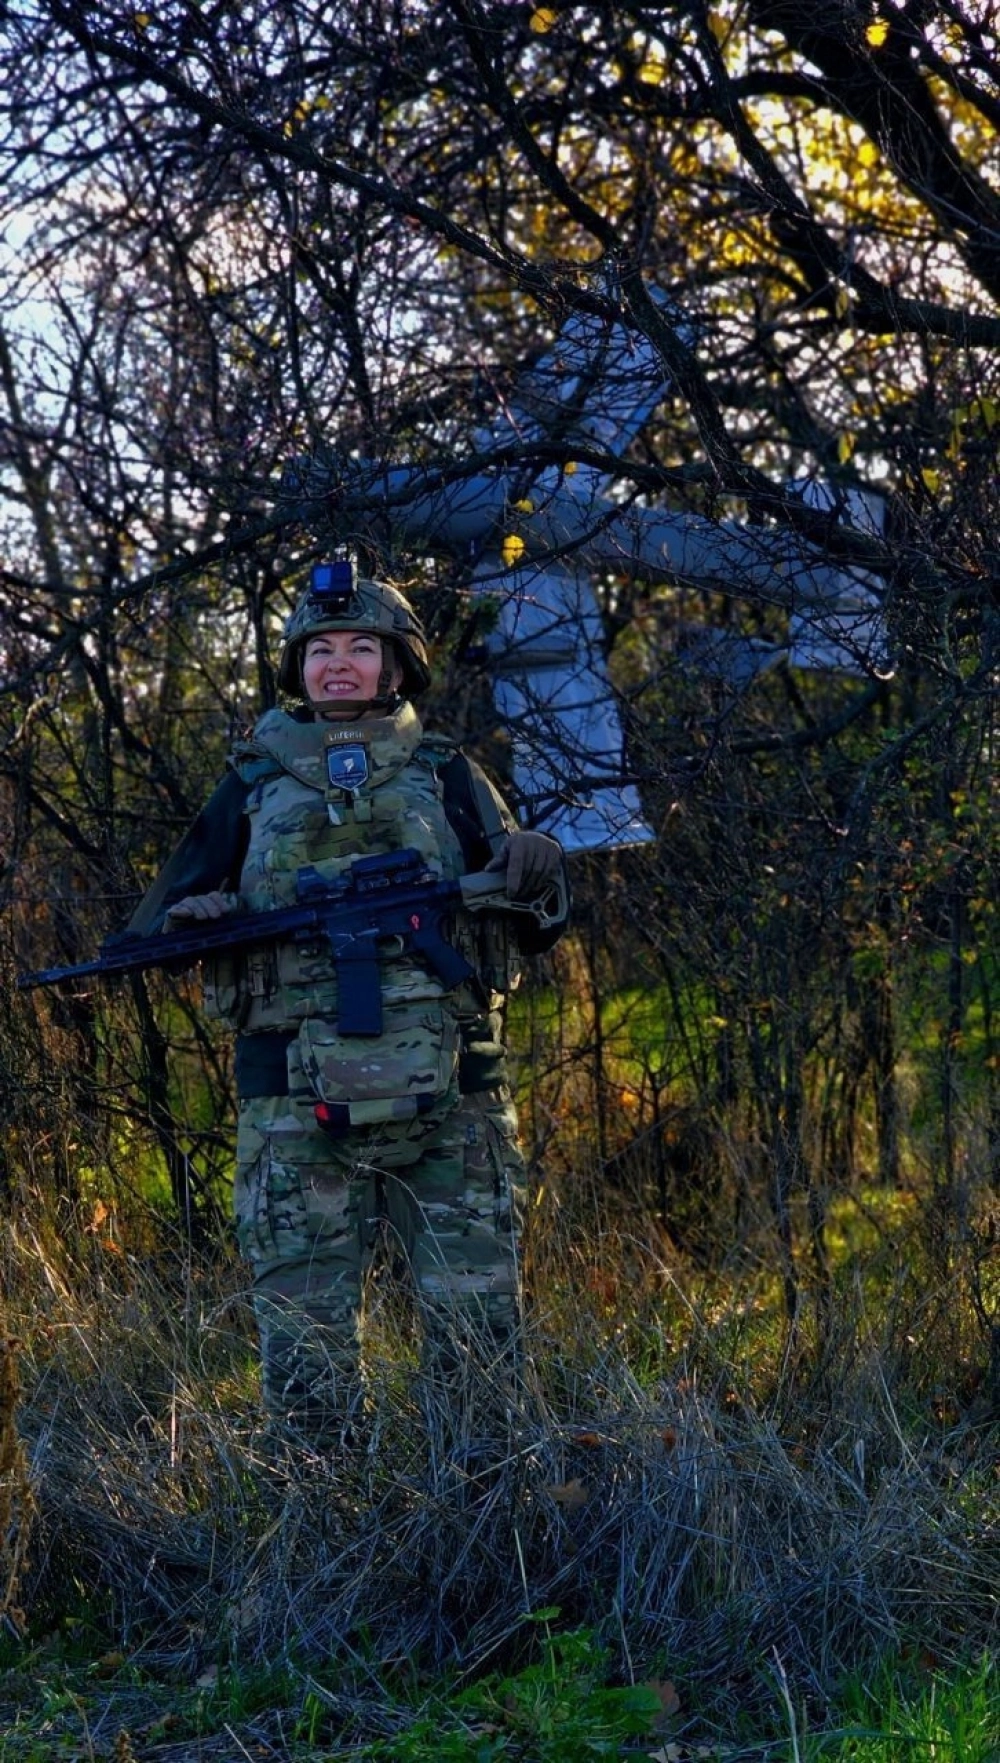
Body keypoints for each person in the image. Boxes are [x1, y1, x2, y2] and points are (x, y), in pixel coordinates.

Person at [126, 560, 569, 1442]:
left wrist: (537, 868)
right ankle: (324, 1516)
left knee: (479, 1337)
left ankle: (488, 1504)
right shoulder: (252, 783)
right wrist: (197, 916)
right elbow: (155, 927)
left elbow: (530, 919)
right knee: (305, 1344)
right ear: (296, 666)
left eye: (361, 647)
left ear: (397, 663)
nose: (339, 664)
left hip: (456, 1088)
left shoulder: (446, 773)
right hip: (290, 1095)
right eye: (320, 648)